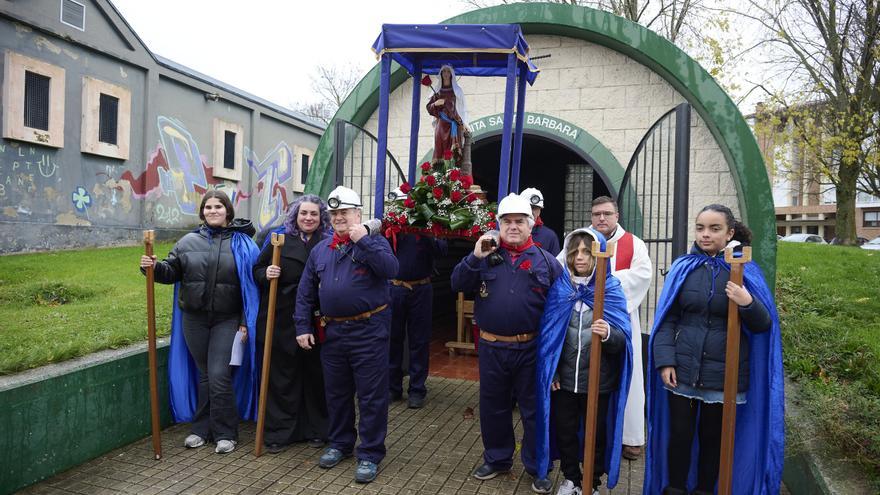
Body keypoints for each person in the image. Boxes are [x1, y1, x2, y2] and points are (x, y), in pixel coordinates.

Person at [645, 204, 784, 495]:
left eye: (714, 228)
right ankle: (674, 489)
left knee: (713, 441)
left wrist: (747, 302)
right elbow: (666, 319)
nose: (705, 234)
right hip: (682, 371)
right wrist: (665, 361)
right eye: (700, 228)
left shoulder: (744, 271)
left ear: (730, 232)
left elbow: (763, 325)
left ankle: (705, 491)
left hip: (724, 375)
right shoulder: (684, 267)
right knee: (679, 438)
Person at [451, 193, 562, 494]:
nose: (513, 226)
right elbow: (458, 284)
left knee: (534, 409)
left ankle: (538, 465)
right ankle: (498, 459)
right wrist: (474, 256)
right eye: (506, 221)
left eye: (519, 221)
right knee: (493, 407)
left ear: (532, 224)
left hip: (531, 349)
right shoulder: (485, 255)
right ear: (498, 225)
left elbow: (560, 313)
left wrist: (556, 360)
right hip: (491, 347)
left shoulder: (548, 263)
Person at [139, 190, 259, 455]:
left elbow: (250, 287)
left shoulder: (243, 244)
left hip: (227, 319)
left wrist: (243, 320)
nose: (213, 211)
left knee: (218, 374)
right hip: (194, 319)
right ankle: (201, 430)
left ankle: (226, 433)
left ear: (228, 211)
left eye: (218, 206)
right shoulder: (187, 241)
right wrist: (153, 267)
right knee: (205, 374)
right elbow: (171, 272)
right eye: (208, 207)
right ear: (202, 211)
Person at [294, 186, 399, 484]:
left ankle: (370, 453)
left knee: (371, 396)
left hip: (369, 331)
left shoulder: (375, 242)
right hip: (333, 331)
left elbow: (391, 269)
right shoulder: (320, 250)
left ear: (358, 214)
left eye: (345, 212)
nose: (339, 218)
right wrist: (302, 326)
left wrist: (363, 240)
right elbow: (305, 293)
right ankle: (340, 443)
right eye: (335, 213)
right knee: (337, 393)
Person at [534, 228, 633, 495]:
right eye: (574, 251)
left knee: (596, 435)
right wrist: (552, 372)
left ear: (598, 255)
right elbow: (549, 338)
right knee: (566, 431)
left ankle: (592, 482)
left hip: (598, 381)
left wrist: (609, 334)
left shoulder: (610, 289)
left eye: (587, 252)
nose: (580, 257)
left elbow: (624, 340)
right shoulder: (560, 289)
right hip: (565, 381)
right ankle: (571, 478)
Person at [253, 195, 331, 453]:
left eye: (314, 214)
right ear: (295, 216)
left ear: (321, 218)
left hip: (316, 317)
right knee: (281, 376)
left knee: (315, 375)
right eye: (303, 213)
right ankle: (280, 431)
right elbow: (257, 269)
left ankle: (317, 429)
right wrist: (266, 274)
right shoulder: (279, 240)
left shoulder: (328, 242)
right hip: (280, 316)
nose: (308, 218)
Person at [589, 196, 652, 460]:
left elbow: (642, 275)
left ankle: (631, 437)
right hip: (587, 318)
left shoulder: (632, 243)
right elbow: (564, 267)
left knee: (630, 374)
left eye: (607, 214)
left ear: (617, 216)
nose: (601, 219)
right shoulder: (582, 239)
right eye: (596, 214)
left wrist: (605, 282)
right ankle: (589, 431)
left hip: (623, 319)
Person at [386, 189, 448, 409]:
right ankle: (392, 387)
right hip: (395, 289)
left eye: (405, 205)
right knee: (393, 339)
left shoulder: (425, 227)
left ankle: (417, 389)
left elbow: (443, 250)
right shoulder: (389, 229)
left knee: (419, 341)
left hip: (421, 289)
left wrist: (426, 231)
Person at [427, 64, 469, 165]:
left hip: (454, 124)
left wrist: (465, 123)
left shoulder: (457, 91)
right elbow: (429, 107)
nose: (446, 74)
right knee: (439, 148)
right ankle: (440, 172)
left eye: (448, 71)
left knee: (454, 151)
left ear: (451, 74)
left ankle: (452, 173)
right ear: (441, 74)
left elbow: (462, 109)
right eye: (444, 71)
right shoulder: (437, 91)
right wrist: (436, 103)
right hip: (441, 123)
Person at [520, 187, 560, 256]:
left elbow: (555, 265)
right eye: (527, 207)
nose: (530, 212)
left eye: (534, 208)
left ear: (540, 211)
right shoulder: (511, 232)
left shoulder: (549, 236)